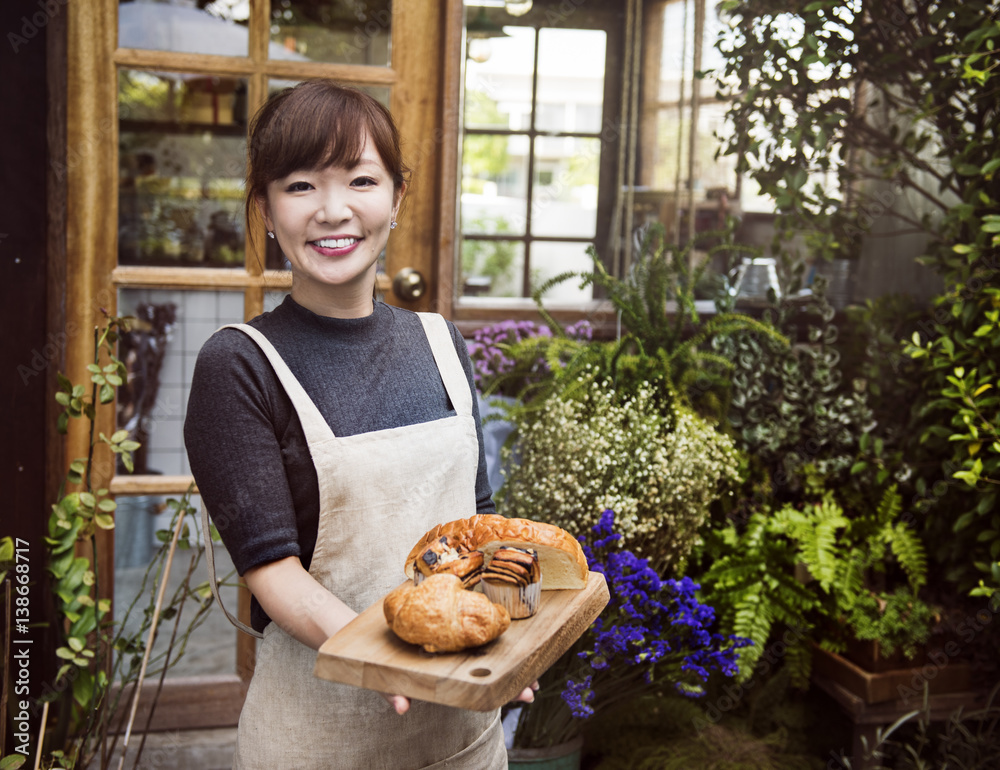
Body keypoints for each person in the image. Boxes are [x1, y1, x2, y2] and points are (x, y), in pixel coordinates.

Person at [184, 81, 532, 769]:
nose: (333, 210)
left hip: (465, 738)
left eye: (361, 180)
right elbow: (271, 570)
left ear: (398, 198)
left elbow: (479, 520)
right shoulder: (240, 364)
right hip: (318, 739)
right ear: (266, 209)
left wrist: (513, 639)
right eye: (301, 185)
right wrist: (394, 659)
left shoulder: (439, 340)